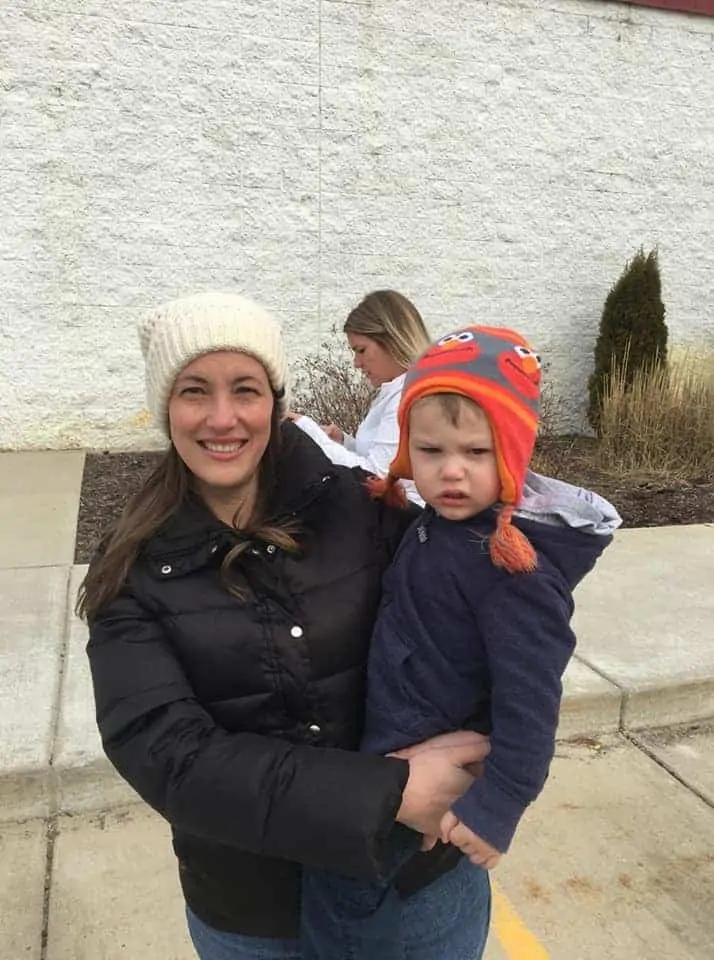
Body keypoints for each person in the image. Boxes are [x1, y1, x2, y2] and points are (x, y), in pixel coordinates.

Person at [77, 291, 493, 960]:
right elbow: (166, 750)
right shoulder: (134, 564)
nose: (222, 418)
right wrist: (388, 793)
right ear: (165, 408)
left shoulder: (361, 511)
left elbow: (473, 624)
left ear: (273, 400)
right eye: (193, 391)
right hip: (255, 912)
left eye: (245, 389)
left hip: (413, 889)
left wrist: (483, 754)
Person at [300, 325, 622, 960]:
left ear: (513, 453)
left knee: (384, 918)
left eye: (475, 453)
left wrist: (498, 803)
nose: (450, 471)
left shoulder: (511, 568)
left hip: (433, 799)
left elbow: (531, 703)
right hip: (386, 759)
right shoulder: (435, 522)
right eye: (429, 449)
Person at [293, 289, 430, 502]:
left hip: (405, 526)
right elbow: (382, 456)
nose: (357, 363)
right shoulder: (394, 392)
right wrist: (344, 442)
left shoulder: (408, 397)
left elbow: (375, 478)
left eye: (361, 350)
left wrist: (308, 431)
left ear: (393, 340)